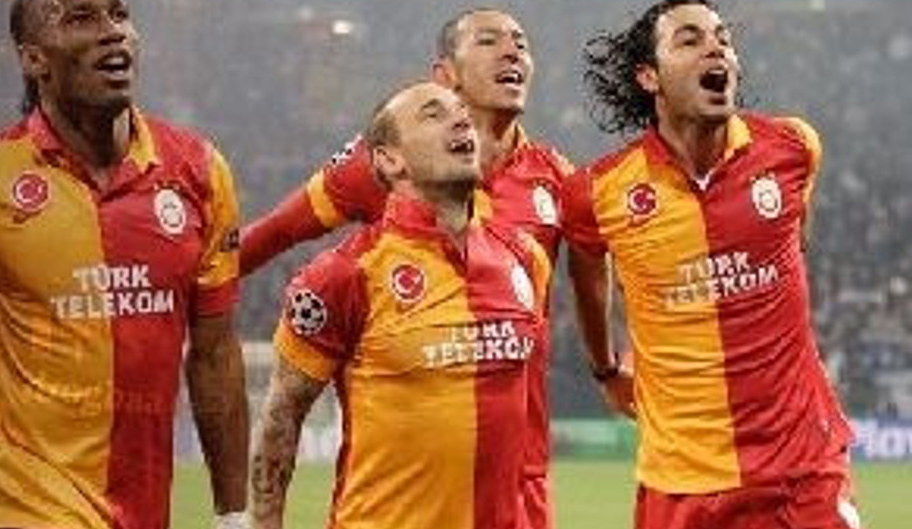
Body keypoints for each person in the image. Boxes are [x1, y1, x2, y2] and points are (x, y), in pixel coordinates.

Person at [241, 9, 572, 528]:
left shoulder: (528, 245)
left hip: (519, 495)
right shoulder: (345, 272)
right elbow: (281, 416)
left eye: (521, 42)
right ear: (388, 160)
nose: (459, 121)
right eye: (434, 114)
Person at [564, 1, 861, 528]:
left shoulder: (793, 147)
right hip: (681, 482)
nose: (715, 48)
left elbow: (795, 243)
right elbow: (586, 273)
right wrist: (605, 368)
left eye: (723, 38)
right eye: (689, 39)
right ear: (649, 76)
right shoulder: (598, 191)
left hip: (803, 472)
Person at [0, 0, 249, 527]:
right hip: (19, 505)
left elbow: (214, 354)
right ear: (34, 58)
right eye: (81, 18)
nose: (112, 32)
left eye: (119, 15)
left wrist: (234, 516)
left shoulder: (199, 171)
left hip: (144, 509)